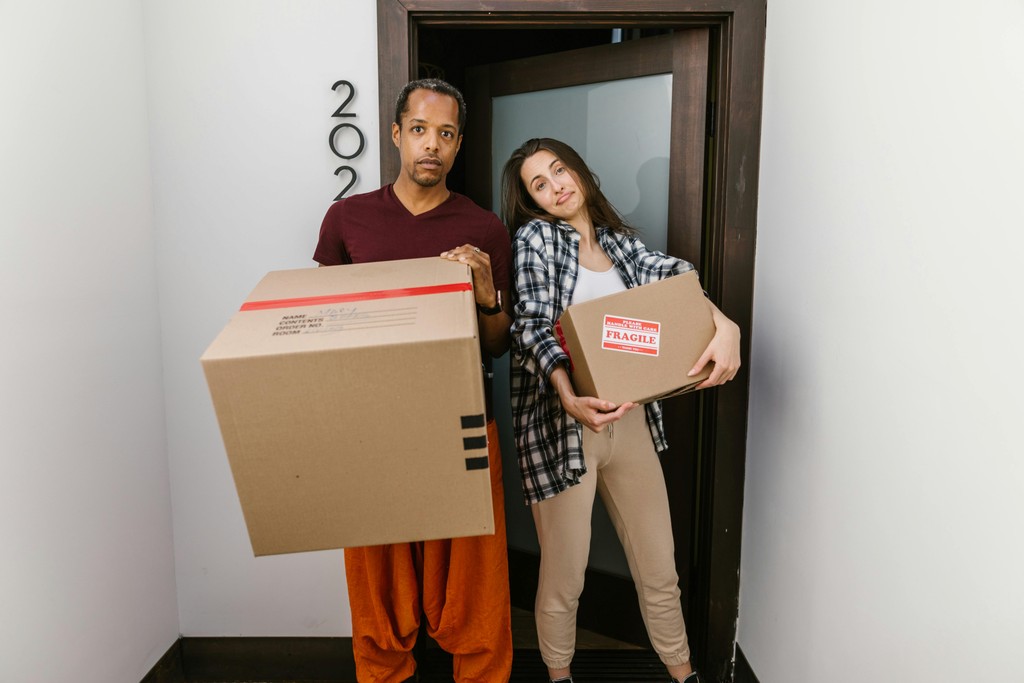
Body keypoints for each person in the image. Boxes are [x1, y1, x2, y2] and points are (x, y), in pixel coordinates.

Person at [500, 138, 742, 683]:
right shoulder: (536, 238)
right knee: (565, 577)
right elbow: (531, 325)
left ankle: (684, 675)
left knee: (659, 566)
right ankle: (559, 677)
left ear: (579, 171)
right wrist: (566, 392)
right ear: (533, 202)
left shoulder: (621, 245)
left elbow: (677, 281)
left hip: (630, 421)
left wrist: (726, 325)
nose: (556, 185)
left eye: (559, 170)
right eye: (539, 184)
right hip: (564, 427)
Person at [313, 79, 513, 683]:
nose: (433, 145)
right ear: (397, 134)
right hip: (372, 428)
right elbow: (319, 327)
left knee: (476, 592)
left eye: (446, 134)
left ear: (458, 145)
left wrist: (484, 295)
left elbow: (499, 344)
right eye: (421, 130)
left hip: (463, 424)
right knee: (378, 591)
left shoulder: (485, 228)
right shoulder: (348, 218)